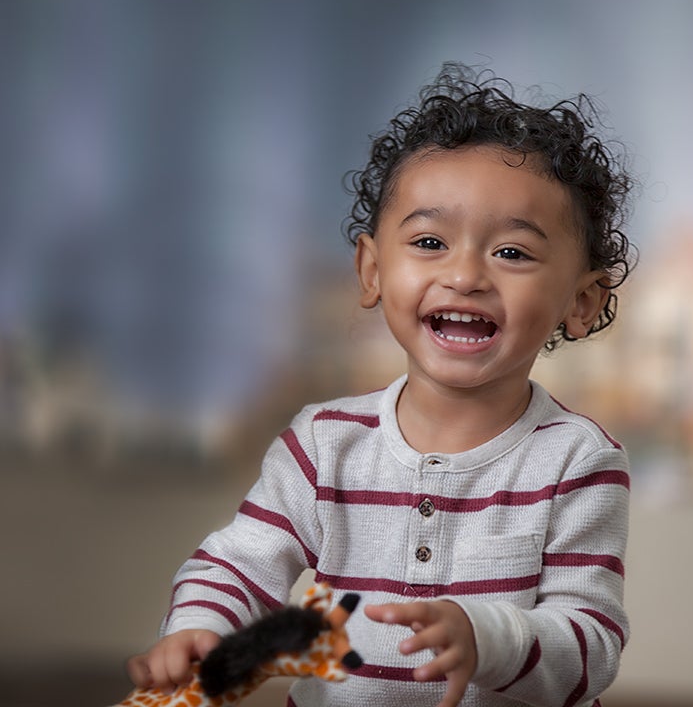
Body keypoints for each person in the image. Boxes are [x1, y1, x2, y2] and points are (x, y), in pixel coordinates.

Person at [126, 63, 636, 707]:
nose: (465, 275)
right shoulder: (323, 443)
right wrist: (197, 628)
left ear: (582, 301)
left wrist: (490, 637)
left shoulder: (578, 460)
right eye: (430, 241)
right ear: (371, 270)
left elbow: (590, 646)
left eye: (512, 252)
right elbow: (237, 562)